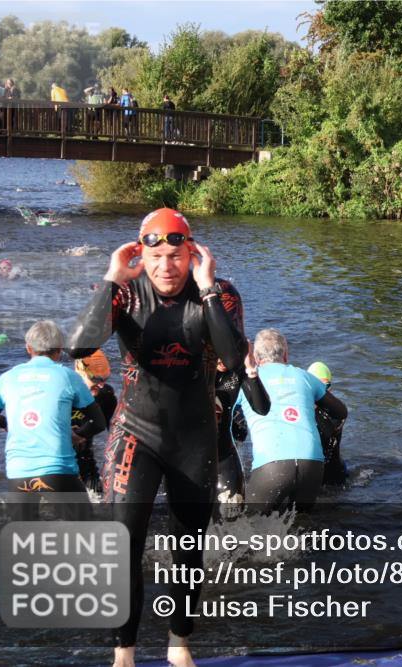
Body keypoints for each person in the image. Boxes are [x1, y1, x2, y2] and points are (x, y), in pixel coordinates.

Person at [67, 208, 269, 667]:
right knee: (124, 543)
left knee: (188, 547)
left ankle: (179, 645)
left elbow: (236, 360)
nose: (165, 267)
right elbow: (80, 345)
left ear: (190, 253)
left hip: (194, 438)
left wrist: (210, 286)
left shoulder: (219, 294)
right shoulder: (127, 294)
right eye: (155, 256)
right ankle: (124, 653)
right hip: (135, 435)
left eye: (175, 255)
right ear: (141, 254)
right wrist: (111, 278)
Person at [0, 320, 107, 520]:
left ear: (28, 348)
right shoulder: (68, 376)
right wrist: (78, 435)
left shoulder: (7, 377)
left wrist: (7, 424)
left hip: (19, 472)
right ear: (59, 350)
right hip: (58, 471)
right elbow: (98, 422)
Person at [239, 329, 347, 515]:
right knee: (302, 528)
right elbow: (341, 411)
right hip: (312, 464)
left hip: (271, 466)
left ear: (255, 358)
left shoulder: (245, 382)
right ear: (286, 354)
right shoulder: (305, 377)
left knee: (248, 527)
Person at [71, 349, 118, 494]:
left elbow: (116, 433)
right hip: (53, 462)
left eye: (105, 379)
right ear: (80, 373)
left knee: (99, 501)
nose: (101, 385)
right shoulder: (62, 393)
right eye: (96, 380)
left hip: (85, 459)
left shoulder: (105, 396)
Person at [214, 358, 250, 517]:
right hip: (190, 460)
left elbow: (263, 407)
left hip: (225, 456)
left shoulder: (236, 372)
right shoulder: (192, 369)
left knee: (233, 519)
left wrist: (252, 372)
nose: (222, 359)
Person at [307, 361, 350, 486]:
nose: (319, 392)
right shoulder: (301, 410)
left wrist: (314, 408)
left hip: (334, 475)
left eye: (324, 386)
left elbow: (328, 432)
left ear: (330, 388)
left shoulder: (337, 412)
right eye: (316, 386)